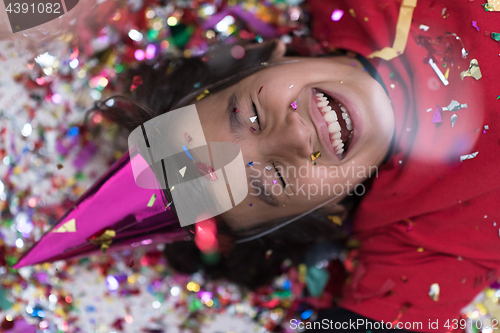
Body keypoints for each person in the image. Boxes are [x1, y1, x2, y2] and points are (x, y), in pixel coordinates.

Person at [15, 0, 499, 331]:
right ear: (328, 210)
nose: (293, 135)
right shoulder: (423, 239)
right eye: (275, 179)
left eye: (247, 114)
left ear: (270, 58)